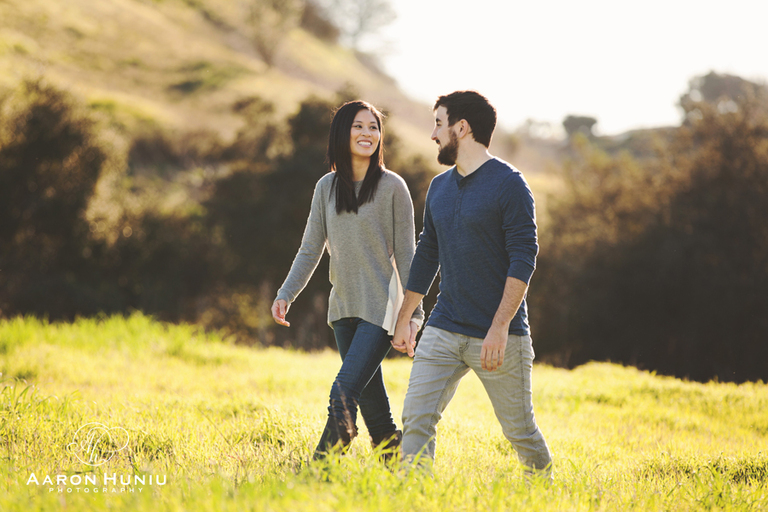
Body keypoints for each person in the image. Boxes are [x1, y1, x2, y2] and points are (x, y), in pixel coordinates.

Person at [391, 90, 553, 478]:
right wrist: (406, 316)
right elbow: (427, 252)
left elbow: (523, 258)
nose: (433, 134)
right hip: (445, 326)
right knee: (416, 418)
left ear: (461, 128)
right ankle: (411, 497)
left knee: (519, 430)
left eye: (438, 123)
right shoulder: (439, 187)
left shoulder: (509, 184)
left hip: (499, 335)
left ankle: (546, 490)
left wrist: (499, 327)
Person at [271, 100, 423, 460]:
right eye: (359, 126)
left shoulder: (393, 187)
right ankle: (396, 461)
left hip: (382, 308)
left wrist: (414, 316)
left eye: (373, 127)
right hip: (342, 309)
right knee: (373, 406)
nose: (368, 133)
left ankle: (321, 467)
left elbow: (408, 255)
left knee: (343, 392)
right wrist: (286, 293)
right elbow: (311, 248)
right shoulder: (326, 188)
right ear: (343, 132)